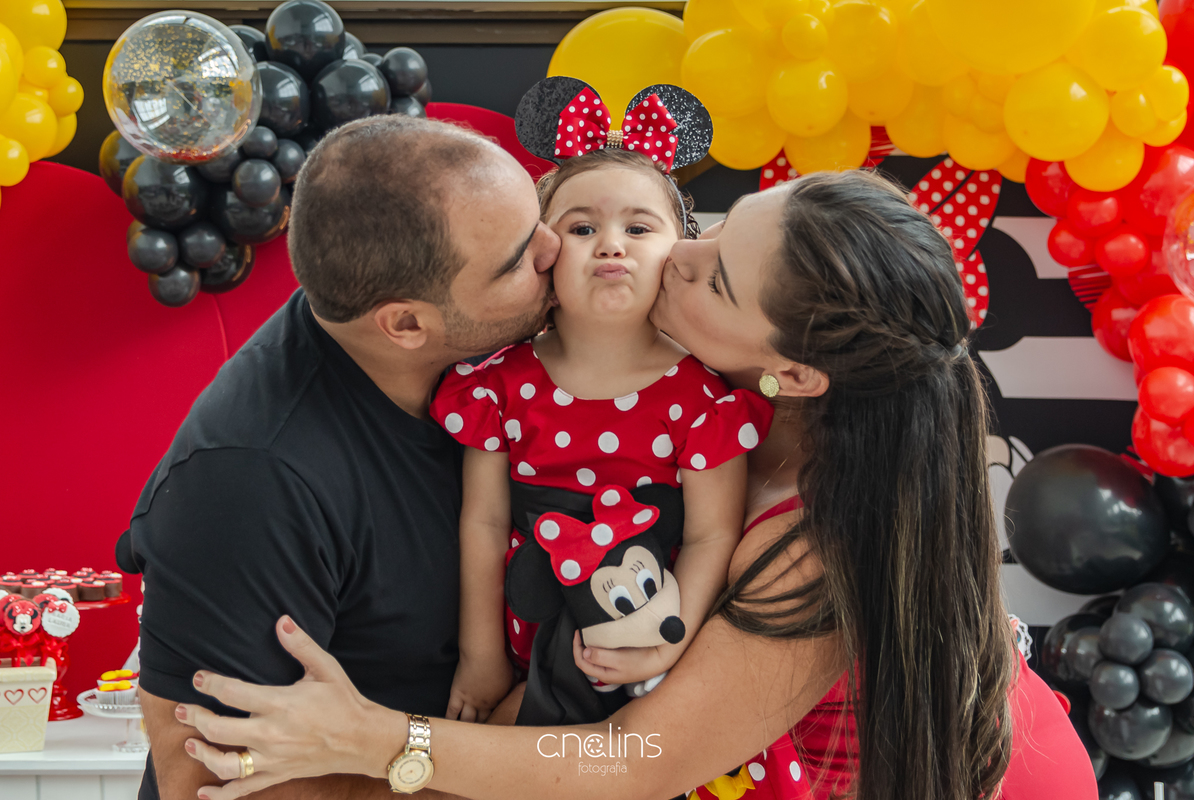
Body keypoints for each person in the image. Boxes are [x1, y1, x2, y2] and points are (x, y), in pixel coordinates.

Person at [172, 170, 1098, 800]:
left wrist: (373, 740)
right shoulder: (720, 400)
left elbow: (639, 760)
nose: (678, 258)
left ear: (799, 370)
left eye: (720, 282)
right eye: (716, 226)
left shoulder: (815, 542)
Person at [122, 114, 560, 800]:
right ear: (407, 323)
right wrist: (517, 758)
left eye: (539, 214)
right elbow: (204, 784)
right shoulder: (253, 476)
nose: (555, 248)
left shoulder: (500, 357)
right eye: (516, 260)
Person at [435, 145, 773, 725]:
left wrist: (666, 638)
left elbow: (711, 536)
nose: (611, 244)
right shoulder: (499, 385)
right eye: (583, 227)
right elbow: (485, 522)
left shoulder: (701, 402)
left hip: (639, 638)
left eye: (638, 227)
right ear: (543, 254)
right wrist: (480, 656)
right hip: (526, 620)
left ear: (677, 252)